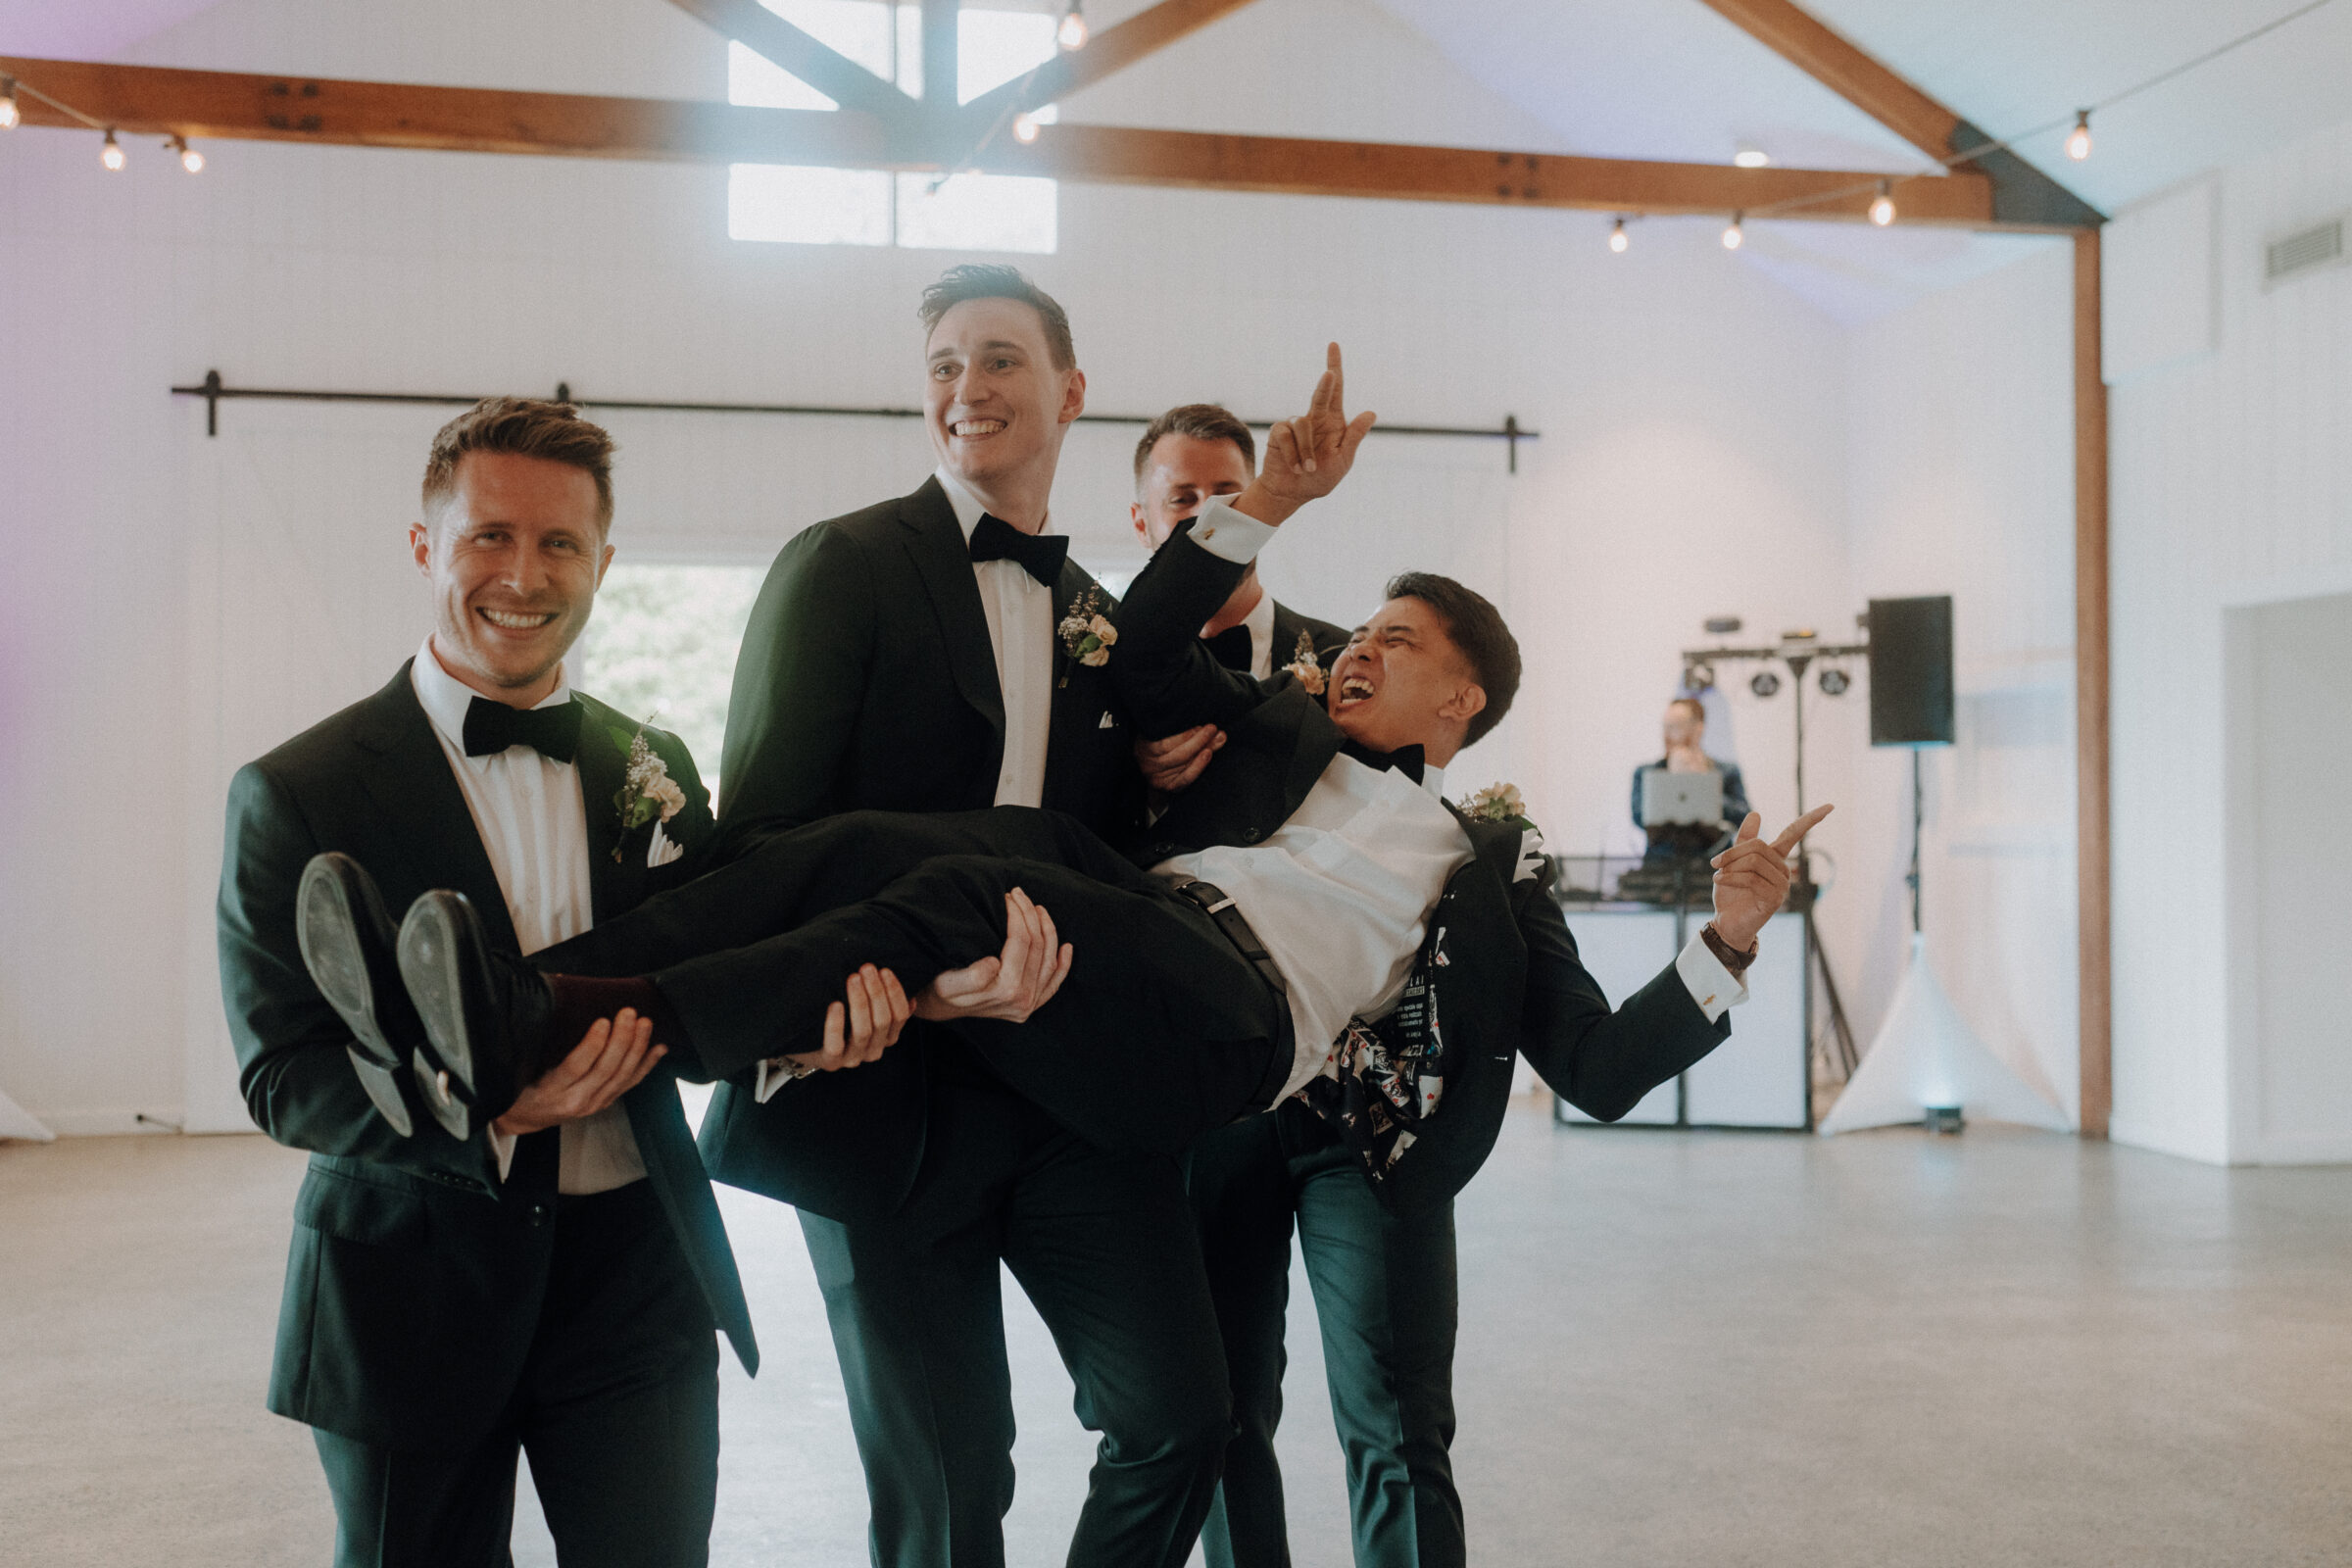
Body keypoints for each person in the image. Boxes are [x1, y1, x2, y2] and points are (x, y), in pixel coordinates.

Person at [303, 366, 1828, 1568]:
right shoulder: (1280, 728)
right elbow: (1142, 651)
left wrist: (1731, 939)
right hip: (1150, 938)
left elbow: (1604, 1068)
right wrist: (1261, 510)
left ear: (1468, 693)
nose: (1362, 642)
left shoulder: (1493, 853)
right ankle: (530, 996)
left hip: (1246, 1031)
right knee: (891, 847)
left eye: (1404, 637)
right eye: (1363, 621)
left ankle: (561, 1007)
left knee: (1348, 1412)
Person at [215, 399, 901, 1567]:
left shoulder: (655, 766)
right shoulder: (298, 789)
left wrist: (809, 1034)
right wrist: (485, 1108)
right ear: (426, 542)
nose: (523, 575)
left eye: (560, 544)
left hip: (637, 1273)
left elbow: (716, 964)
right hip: (412, 1285)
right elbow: (282, 1074)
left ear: (603, 562)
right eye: (489, 536)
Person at [694, 263, 1231, 1568]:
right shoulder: (841, 566)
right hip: (879, 1085)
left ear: (1069, 390)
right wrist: (918, 989)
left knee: (1184, 1419)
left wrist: (1182, 760)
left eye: (998, 359)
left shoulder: (1105, 622)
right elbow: (759, 848)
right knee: (946, 1493)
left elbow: (1117, 859)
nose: (966, 389)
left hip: (1069, 1094)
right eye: (943, 364)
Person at [1131, 402, 1348, 679]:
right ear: (1140, 525)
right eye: (1182, 500)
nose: (1209, 516)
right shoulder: (1105, 669)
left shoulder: (1339, 658)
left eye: (1228, 496)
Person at [1633, 695, 1750, 861]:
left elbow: (1743, 817)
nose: (1667, 735)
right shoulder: (1646, 773)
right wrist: (1673, 781)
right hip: (1661, 867)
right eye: (1665, 727)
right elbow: (1639, 817)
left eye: (1675, 727)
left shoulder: (1727, 772)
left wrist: (1701, 783)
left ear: (1698, 729)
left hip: (1714, 867)